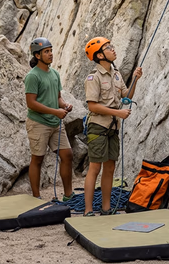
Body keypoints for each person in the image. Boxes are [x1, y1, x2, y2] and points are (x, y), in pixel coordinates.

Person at [82, 37, 142, 216]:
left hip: (112, 129)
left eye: (112, 46)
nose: (113, 50)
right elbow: (92, 106)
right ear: (99, 55)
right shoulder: (94, 77)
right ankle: (88, 210)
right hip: (98, 127)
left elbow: (127, 95)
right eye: (108, 48)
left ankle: (106, 208)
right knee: (95, 167)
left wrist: (135, 79)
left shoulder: (116, 74)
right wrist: (118, 114)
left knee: (110, 167)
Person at [24, 37, 75, 201]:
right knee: (37, 159)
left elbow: (58, 97)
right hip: (38, 123)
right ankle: (36, 197)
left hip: (55, 123)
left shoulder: (54, 74)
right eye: (46, 51)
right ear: (37, 55)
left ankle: (68, 195)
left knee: (67, 155)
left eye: (51, 50)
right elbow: (31, 103)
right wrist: (55, 112)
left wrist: (65, 105)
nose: (50, 54)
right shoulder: (33, 76)